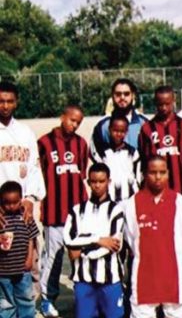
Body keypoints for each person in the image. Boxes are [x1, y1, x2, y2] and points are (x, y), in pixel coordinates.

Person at [122, 156, 182, 318]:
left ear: (168, 173)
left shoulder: (179, 202)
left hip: (174, 274)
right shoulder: (133, 203)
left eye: (162, 172)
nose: (158, 177)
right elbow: (131, 238)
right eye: (153, 172)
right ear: (144, 174)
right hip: (145, 275)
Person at [38, 104, 88, 317]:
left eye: (78, 122)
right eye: (71, 119)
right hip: (53, 213)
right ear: (62, 116)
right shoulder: (43, 143)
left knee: (81, 258)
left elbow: (82, 175)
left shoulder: (81, 144)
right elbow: (38, 175)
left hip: (77, 214)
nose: (74, 124)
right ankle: (47, 299)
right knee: (52, 259)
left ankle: (83, 299)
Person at [63, 163, 125, 318]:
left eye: (101, 181)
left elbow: (113, 245)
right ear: (88, 182)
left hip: (111, 280)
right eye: (94, 181)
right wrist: (98, 239)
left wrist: (82, 247)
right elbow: (68, 241)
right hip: (83, 281)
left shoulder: (116, 210)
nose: (97, 185)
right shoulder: (77, 211)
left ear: (108, 182)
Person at [0, 81, 45, 225]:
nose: (5, 106)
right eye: (1, 101)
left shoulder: (25, 132)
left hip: (21, 208)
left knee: (25, 246)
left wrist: (30, 199)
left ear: (16, 103)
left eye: (9, 101)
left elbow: (34, 167)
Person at [138, 86, 182, 197]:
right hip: (156, 189)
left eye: (167, 104)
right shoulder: (147, 128)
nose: (164, 108)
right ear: (155, 103)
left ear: (173, 102)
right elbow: (144, 159)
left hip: (181, 187)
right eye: (160, 104)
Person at [0, 181, 39, 318]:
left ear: (21, 200)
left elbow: (31, 238)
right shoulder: (1, 219)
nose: (11, 206)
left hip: (23, 269)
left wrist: (29, 259)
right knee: (5, 303)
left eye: (15, 202)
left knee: (26, 299)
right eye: (7, 203)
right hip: (3, 269)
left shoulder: (25, 216)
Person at [91, 113, 140, 202]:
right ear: (109, 130)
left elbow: (137, 175)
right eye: (115, 130)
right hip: (109, 198)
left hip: (130, 197)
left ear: (126, 132)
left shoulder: (132, 152)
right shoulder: (103, 152)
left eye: (122, 131)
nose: (118, 134)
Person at [91, 78, 148, 156]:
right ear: (112, 96)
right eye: (118, 94)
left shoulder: (144, 123)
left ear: (133, 95)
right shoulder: (102, 126)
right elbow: (94, 154)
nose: (122, 97)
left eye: (126, 94)